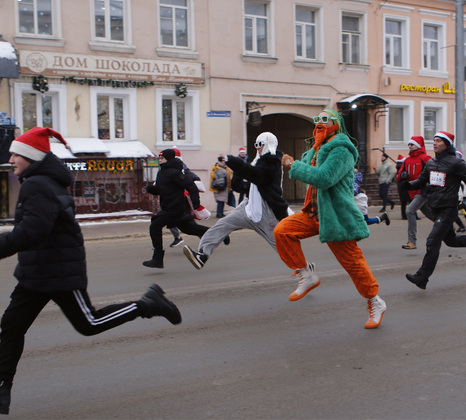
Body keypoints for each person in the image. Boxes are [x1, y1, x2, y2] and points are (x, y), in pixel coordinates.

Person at [0, 127, 181, 415]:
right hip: (38, 271)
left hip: (59, 271)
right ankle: (3, 387)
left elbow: (31, 231)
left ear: (31, 156)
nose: (10, 159)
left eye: (15, 154)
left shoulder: (38, 185)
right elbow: (37, 229)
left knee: (89, 323)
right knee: (11, 326)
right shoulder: (42, 181)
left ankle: (147, 304)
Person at [275, 109, 386, 329]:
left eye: (324, 120)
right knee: (282, 231)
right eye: (317, 120)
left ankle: (375, 301)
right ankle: (306, 274)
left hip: (336, 217)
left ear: (336, 124)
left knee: (353, 263)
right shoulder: (318, 148)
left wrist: (293, 165)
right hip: (313, 213)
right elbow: (306, 166)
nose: (319, 123)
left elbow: (323, 178)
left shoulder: (342, 150)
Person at [182, 132, 290, 269]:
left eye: (260, 144)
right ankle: (202, 255)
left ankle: (303, 267)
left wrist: (233, 162)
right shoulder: (258, 161)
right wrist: (240, 183)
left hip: (266, 212)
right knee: (222, 224)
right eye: (256, 144)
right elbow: (250, 180)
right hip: (249, 208)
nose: (257, 147)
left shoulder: (273, 162)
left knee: (280, 245)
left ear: (269, 144)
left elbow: (257, 176)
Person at [402, 131, 466, 291]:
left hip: (448, 208)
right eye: (434, 140)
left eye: (438, 141)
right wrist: (408, 184)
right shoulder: (431, 163)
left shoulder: (456, 163)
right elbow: (421, 181)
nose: (434, 143)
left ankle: (422, 276)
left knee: (432, 240)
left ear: (447, 144)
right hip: (435, 207)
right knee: (451, 240)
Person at [143, 149, 209, 268]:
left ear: (168, 159)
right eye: (159, 158)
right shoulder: (161, 173)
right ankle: (218, 233)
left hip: (175, 208)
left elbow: (191, 186)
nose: (160, 160)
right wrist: (150, 189)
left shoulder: (174, 172)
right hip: (169, 208)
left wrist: (196, 204)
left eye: (162, 158)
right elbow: (161, 190)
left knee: (155, 225)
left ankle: (157, 259)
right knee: (189, 229)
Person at [397, 136, 432, 249]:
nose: (410, 146)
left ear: (418, 145)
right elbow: (399, 175)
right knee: (430, 214)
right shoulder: (407, 160)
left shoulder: (426, 158)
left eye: (412, 144)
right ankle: (447, 226)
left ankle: (412, 241)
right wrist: (403, 176)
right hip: (412, 192)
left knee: (410, 211)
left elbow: (434, 172)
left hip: (422, 191)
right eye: (409, 144)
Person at [395, 155, 411, 219]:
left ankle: (403, 215)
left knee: (403, 202)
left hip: (400, 187)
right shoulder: (403, 168)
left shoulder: (398, 168)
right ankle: (413, 214)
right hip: (405, 186)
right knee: (410, 201)